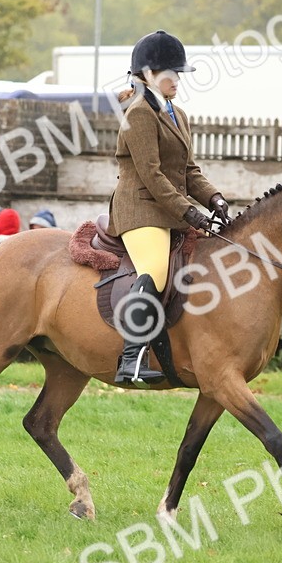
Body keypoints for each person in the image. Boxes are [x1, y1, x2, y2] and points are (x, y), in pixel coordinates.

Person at [108, 29, 231, 386]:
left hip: (168, 209)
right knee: (156, 270)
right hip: (141, 208)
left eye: (178, 74)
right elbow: (151, 174)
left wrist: (214, 199)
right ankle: (130, 360)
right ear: (147, 75)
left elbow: (188, 170)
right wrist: (188, 211)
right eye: (170, 74)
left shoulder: (179, 114)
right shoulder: (139, 114)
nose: (177, 80)